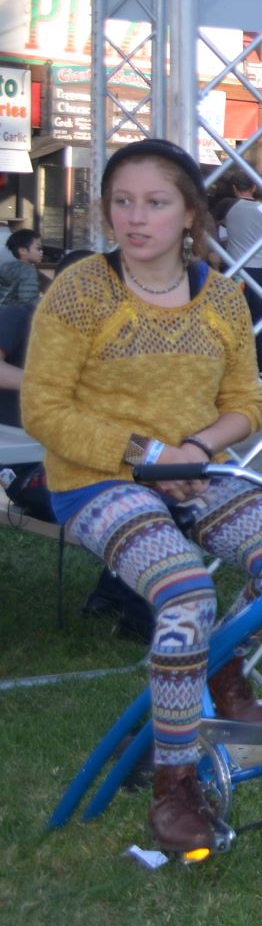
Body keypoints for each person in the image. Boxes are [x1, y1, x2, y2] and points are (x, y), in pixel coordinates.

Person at [22, 139, 262, 852]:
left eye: (155, 202)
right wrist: (148, 455)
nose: (135, 217)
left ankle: (218, 663)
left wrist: (193, 448)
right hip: (95, 478)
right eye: (122, 202)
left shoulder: (219, 295)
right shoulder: (82, 288)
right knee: (185, 590)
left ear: (189, 213)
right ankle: (174, 786)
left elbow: (246, 404)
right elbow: (43, 408)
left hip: (191, 468)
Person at [0, 248, 158, 639]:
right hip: (28, 462)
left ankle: (115, 599)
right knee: (129, 501)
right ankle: (137, 620)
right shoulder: (21, 318)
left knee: (161, 480)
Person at [219, 172, 262, 370]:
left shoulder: (227, 207)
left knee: (234, 318)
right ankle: (261, 365)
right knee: (261, 318)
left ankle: (235, 365)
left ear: (234, 188)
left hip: (235, 270)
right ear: (254, 187)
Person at [0, 228, 42, 308]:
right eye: (38, 248)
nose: (41, 252)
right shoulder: (28, 271)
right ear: (23, 250)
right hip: (15, 312)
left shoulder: (6, 266)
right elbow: (29, 301)